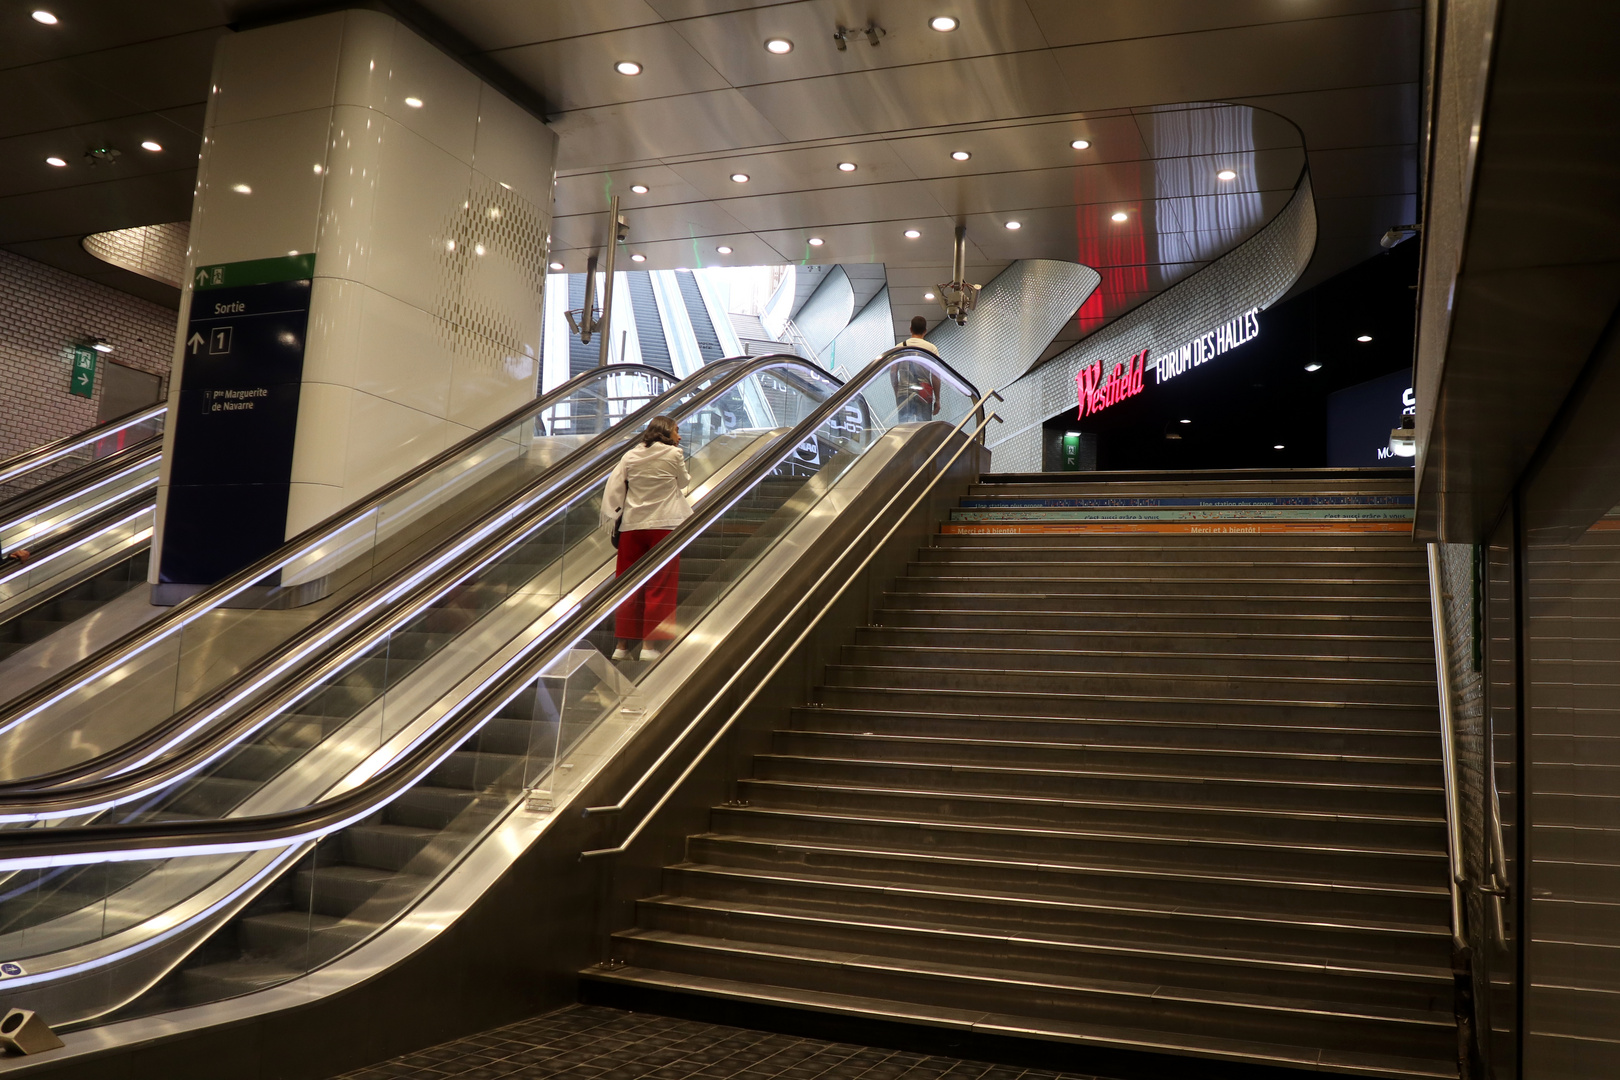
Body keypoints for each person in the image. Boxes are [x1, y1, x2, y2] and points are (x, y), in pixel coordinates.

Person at [601, 415, 693, 661]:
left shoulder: (630, 456)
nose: (679, 436)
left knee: (628, 585)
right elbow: (684, 482)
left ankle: (621, 647)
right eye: (676, 431)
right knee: (659, 585)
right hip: (665, 525)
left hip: (632, 527)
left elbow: (615, 486)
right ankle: (648, 647)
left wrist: (612, 517)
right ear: (666, 432)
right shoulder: (674, 454)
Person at [890, 315, 942, 423]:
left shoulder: (899, 347)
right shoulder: (931, 348)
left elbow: (893, 373)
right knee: (922, 429)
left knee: (904, 429)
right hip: (924, 393)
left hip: (904, 393)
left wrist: (898, 392)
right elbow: (936, 376)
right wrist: (937, 399)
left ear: (911, 329)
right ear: (925, 331)